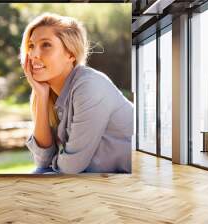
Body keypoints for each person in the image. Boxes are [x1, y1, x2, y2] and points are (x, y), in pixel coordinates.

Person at [20, 13, 133, 174]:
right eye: (31, 46)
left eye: (45, 45)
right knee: (37, 174)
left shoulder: (89, 85)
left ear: (71, 54)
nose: (33, 54)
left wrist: (53, 164)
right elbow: (43, 161)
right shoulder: (45, 92)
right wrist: (41, 96)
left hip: (137, 178)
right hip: (101, 179)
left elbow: (70, 168)